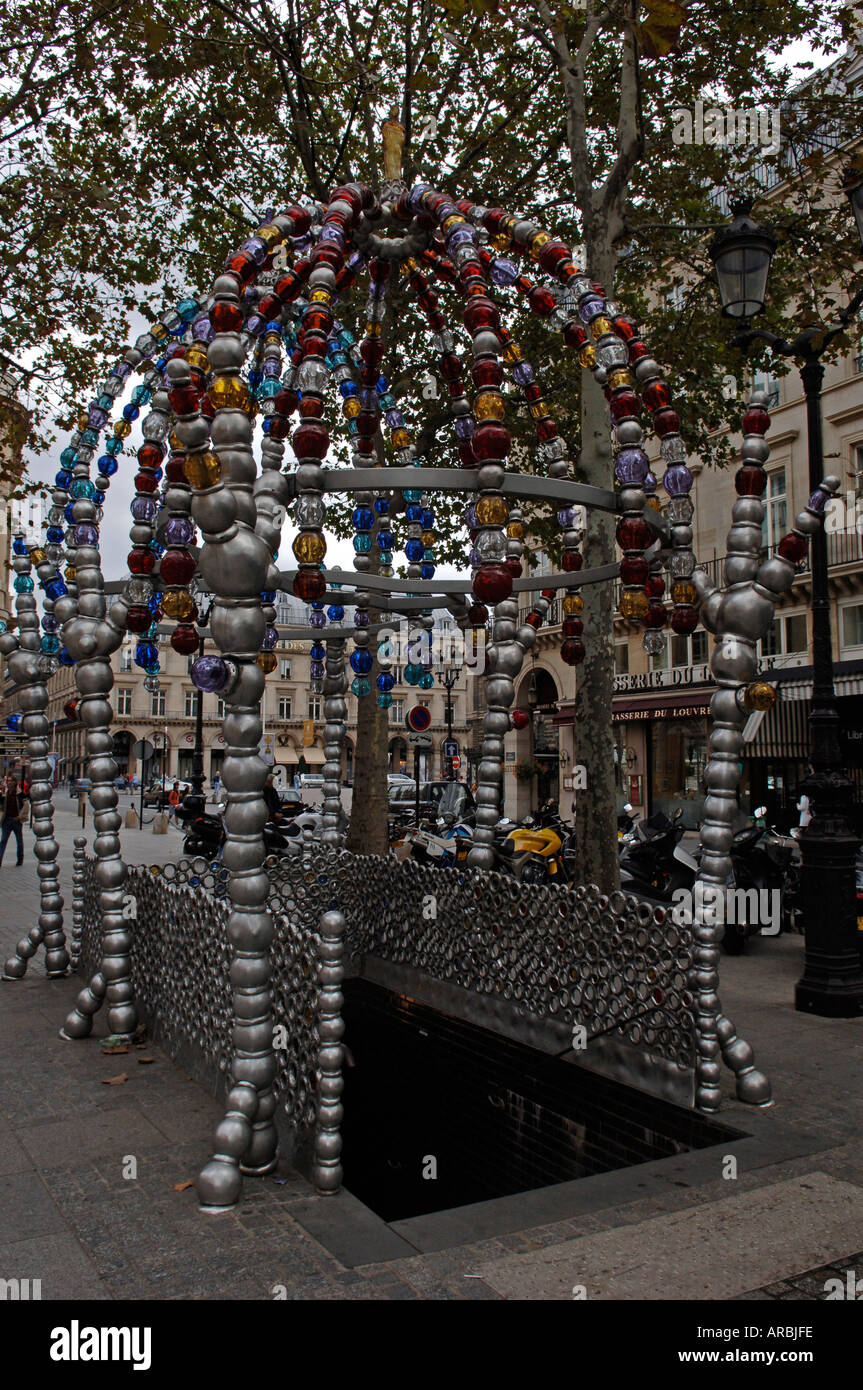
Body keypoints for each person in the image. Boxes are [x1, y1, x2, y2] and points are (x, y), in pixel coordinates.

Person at [0, 776, 26, 866]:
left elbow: (26, 806)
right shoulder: (5, 793)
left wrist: (20, 817)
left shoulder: (19, 794)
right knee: (3, 840)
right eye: (8, 781)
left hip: (16, 820)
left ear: (15, 782)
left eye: (11, 781)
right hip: (6, 820)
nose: (9, 782)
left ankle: (20, 859)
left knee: (19, 840)